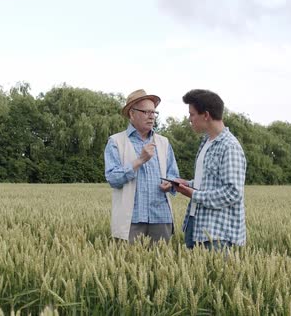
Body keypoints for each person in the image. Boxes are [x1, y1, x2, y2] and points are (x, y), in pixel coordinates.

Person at [104, 89, 180, 244]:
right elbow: (113, 178)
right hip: (131, 220)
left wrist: (171, 184)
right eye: (146, 112)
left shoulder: (164, 142)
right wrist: (139, 160)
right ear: (132, 114)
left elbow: (173, 175)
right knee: (127, 266)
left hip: (161, 218)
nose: (151, 116)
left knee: (162, 266)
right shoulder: (116, 142)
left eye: (154, 112)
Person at [174, 89, 247, 250]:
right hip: (196, 224)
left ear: (206, 115)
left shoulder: (229, 147)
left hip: (218, 234)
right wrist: (185, 183)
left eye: (192, 114)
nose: (189, 119)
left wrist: (193, 194)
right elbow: (208, 182)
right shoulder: (206, 142)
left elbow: (233, 192)